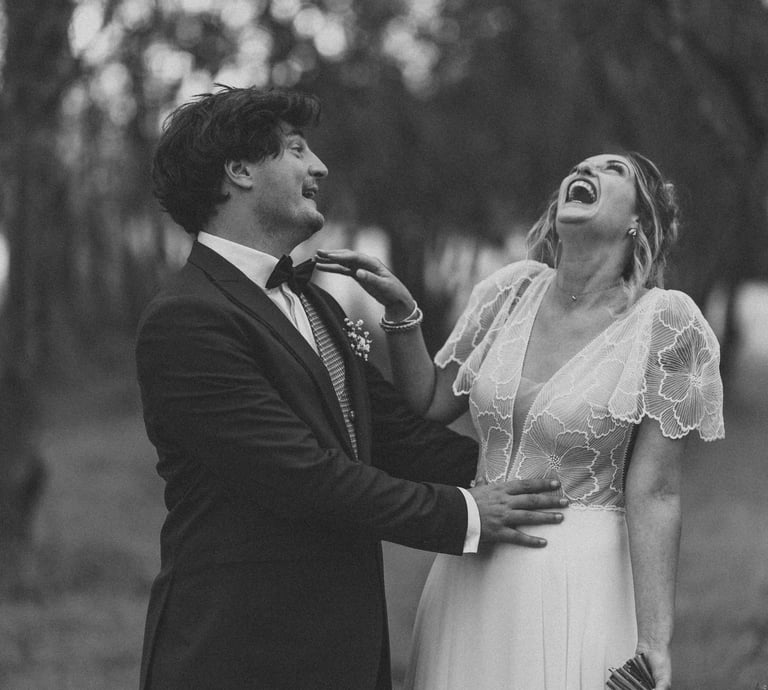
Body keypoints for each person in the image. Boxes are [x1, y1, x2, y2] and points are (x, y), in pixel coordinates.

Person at [135, 85, 569, 690]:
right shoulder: (187, 319)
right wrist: (468, 513)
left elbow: (394, 437)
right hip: (240, 651)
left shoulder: (317, 303)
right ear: (239, 171)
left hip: (343, 649)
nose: (319, 167)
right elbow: (301, 475)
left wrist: (553, 474)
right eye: (296, 149)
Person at [316, 152, 725, 689]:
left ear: (638, 221)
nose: (585, 171)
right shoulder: (511, 290)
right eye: (580, 167)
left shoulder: (666, 322)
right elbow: (431, 399)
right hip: (472, 574)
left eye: (612, 169)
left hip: (578, 581)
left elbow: (658, 492)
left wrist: (653, 640)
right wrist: (400, 312)